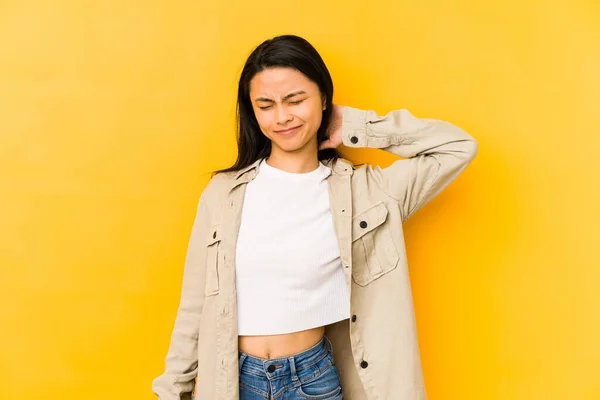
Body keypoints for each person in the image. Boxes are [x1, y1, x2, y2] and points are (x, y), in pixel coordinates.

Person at [152, 34, 478, 400]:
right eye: (265, 105)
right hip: (231, 381)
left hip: (312, 380)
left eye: (295, 100)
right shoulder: (223, 193)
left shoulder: (368, 192)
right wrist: (172, 389)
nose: (282, 116)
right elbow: (195, 303)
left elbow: (458, 146)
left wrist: (356, 126)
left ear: (323, 98)